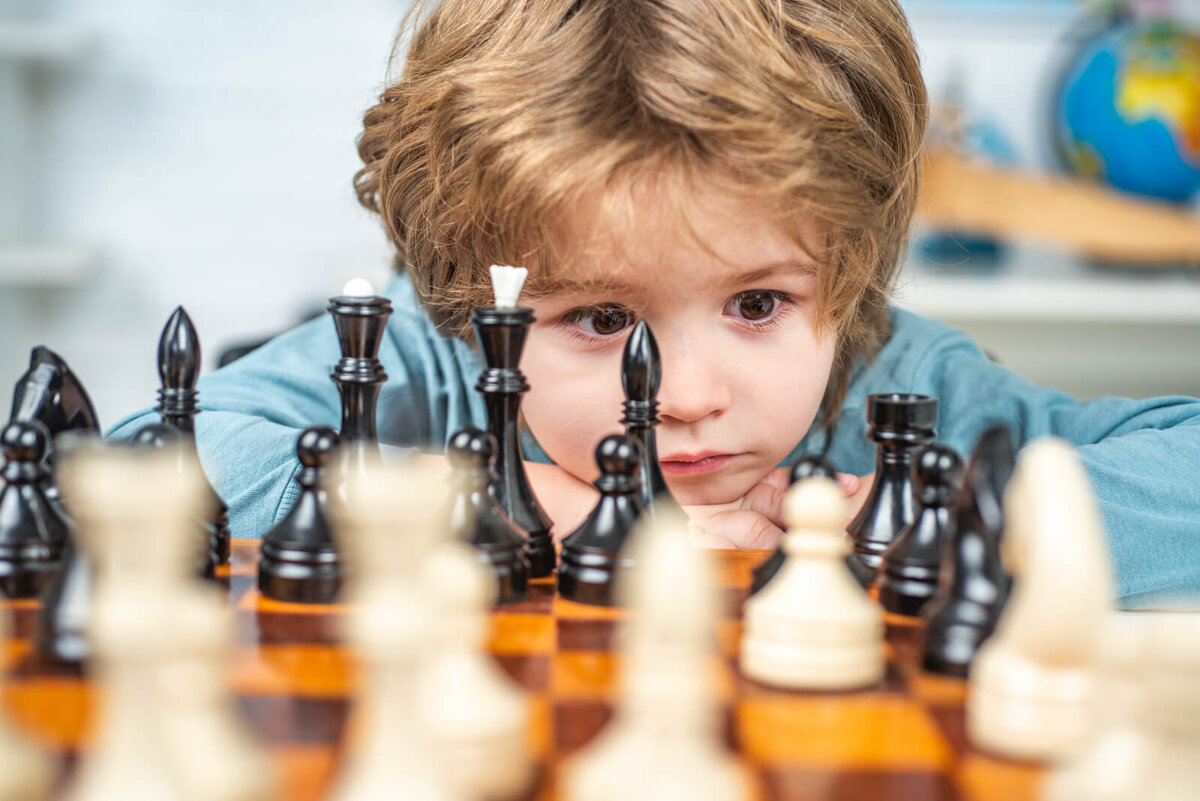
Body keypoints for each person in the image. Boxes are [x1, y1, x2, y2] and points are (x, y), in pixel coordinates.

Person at [109, 0, 1200, 608]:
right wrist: (527, 514)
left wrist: (927, 519)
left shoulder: (897, 385)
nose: (683, 397)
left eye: (760, 303)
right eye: (598, 319)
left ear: (854, 273)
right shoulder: (430, 355)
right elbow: (138, 458)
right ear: (473, 295)